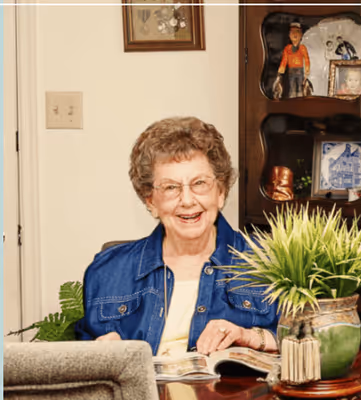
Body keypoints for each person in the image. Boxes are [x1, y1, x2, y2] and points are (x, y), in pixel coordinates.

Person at [77, 117, 280, 357]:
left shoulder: (269, 263)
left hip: (233, 395)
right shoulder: (107, 272)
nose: (186, 200)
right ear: (150, 201)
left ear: (221, 192)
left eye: (200, 183)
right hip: (143, 395)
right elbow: (84, 374)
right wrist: (98, 351)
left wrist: (251, 337)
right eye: (171, 187)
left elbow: (311, 342)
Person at [274, 23, 310, 99]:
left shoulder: (302, 48)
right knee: (292, 89)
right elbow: (284, 60)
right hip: (291, 71)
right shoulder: (287, 48)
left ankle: (300, 104)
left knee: (300, 89)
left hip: (300, 70)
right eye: (292, 32)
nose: (295, 34)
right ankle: (292, 104)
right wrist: (280, 73)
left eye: (297, 32)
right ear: (289, 35)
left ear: (301, 35)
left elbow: (306, 59)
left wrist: (306, 73)